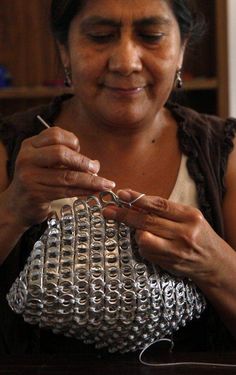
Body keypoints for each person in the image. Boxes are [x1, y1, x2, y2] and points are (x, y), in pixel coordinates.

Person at [0, 0, 236, 357]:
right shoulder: (8, 151)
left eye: (152, 36)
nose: (126, 62)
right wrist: (12, 210)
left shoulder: (227, 156)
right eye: (100, 36)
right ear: (64, 50)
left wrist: (215, 263)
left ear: (182, 49)